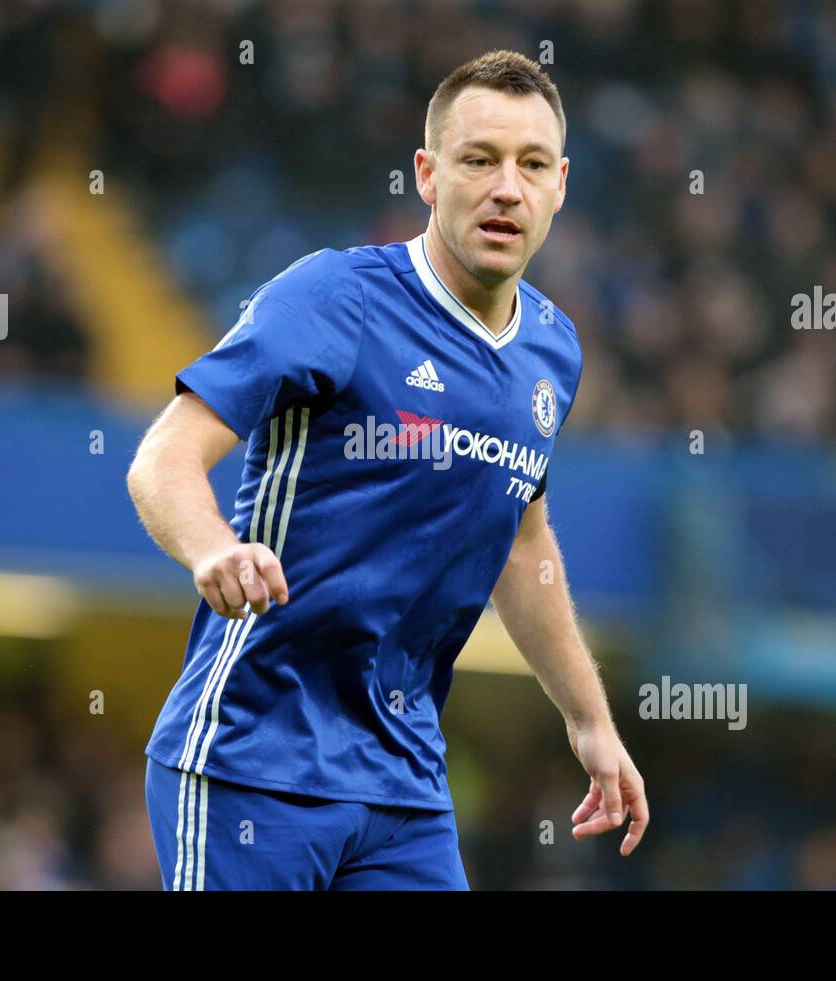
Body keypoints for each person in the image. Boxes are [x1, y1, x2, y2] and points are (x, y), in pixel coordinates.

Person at [128, 49, 648, 890]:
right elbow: (165, 455)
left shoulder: (554, 348)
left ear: (561, 185)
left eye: (532, 165)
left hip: (403, 781)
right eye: (479, 160)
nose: (506, 188)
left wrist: (590, 719)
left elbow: (521, 541)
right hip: (251, 758)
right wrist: (211, 548)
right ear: (429, 175)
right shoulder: (335, 298)